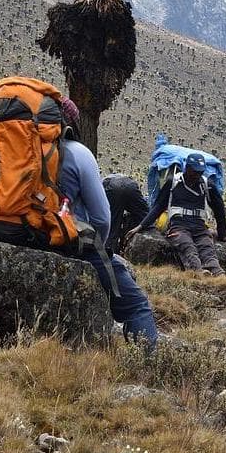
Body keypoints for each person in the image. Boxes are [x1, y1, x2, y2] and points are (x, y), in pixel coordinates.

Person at [58, 98, 158, 346]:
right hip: (65, 243)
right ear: (72, 123)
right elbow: (102, 219)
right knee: (137, 306)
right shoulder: (78, 153)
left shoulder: (16, 151)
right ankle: (147, 369)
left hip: (9, 233)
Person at [126, 152, 226, 276]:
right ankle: (198, 272)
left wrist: (222, 235)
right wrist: (141, 226)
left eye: (200, 172)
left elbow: (220, 211)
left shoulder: (207, 186)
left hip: (200, 228)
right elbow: (158, 207)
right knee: (187, 246)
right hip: (178, 227)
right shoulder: (173, 183)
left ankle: (218, 273)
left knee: (207, 248)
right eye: (195, 171)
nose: (198, 175)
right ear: (187, 168)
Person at [102, 174, 150, 255]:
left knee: (112, 227)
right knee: (145, 217)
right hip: (130, 185)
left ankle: (110, 256)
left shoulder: (103, 183)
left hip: (112, 187)